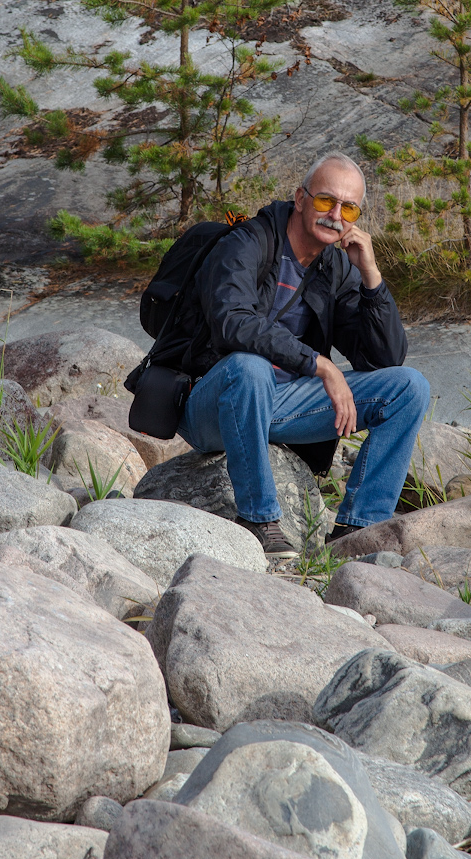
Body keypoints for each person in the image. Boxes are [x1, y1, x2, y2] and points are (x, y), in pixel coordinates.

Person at [177, 151, 430, 556]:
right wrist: (319, 365)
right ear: (300, 199)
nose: (336, 215)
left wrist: (371, 277)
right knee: (250, 367)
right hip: (214, 401)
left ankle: (358, 530)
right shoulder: (247, 242)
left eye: (349, 207)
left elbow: (383, 359)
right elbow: (232, 322)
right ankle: (259, 518)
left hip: (283, 404)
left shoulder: (336, 266)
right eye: (327, 201)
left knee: (408, 387)